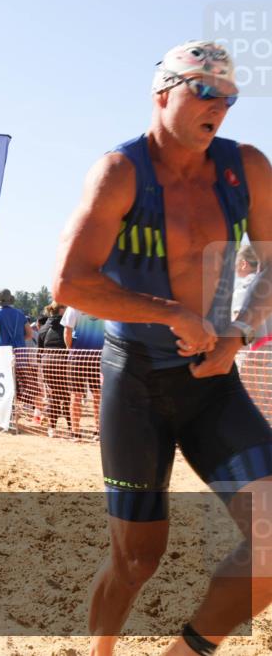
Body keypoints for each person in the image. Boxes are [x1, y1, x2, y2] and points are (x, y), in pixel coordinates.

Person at [53, 41, 272, 656]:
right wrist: (171, 311)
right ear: (163, 92)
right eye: (204, 91)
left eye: (228, 97)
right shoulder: (121, 172)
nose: (219, 107)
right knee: (136, 562)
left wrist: (236, 333)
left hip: (212, 385)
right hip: (138, 385)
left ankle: (185, 652)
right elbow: (69, 283)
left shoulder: (246, 167)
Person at [61, 306, 105, 436]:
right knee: (98, 396)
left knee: (76, 395)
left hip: (78, 357)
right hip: (98, 356)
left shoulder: (74, 306)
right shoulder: (103, 305)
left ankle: (75, 432)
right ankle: (98, 430)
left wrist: (69, 349)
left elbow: (67, 331)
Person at [36, 302, 73, 438]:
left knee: (54, 396)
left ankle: (52, 429)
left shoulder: (43, 327)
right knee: (68, 396)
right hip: (64, 362)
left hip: (47, 363)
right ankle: (72, 429)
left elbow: (39, 352)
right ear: (62, 310)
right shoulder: (67, 324)